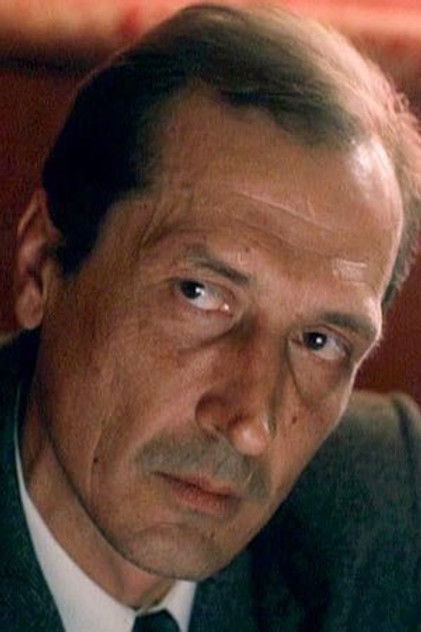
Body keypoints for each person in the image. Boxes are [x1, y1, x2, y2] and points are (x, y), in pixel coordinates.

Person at [0, 4, 420, 631]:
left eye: (319, 340)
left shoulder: (389, 502)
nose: (249, 425)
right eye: (198, 293)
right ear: (41, 268)